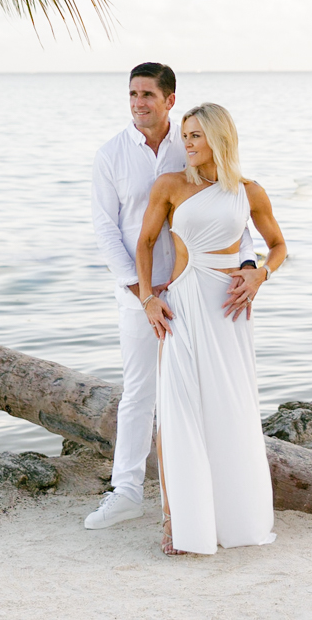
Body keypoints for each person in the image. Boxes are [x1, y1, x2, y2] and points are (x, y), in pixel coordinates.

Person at [83, 64, 257, 530]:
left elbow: (231, 211)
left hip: (199, 291)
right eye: (132, 94)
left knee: (204, 391)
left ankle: (208, 493)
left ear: (169, 99)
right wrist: (142, 293)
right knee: (139, 391)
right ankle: (127, 492)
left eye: (147, 95)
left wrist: (248, 265)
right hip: (140, 295)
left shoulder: (195, 142)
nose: (138, 102)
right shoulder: (111, 155)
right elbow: (106, 229)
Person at [137, 102, 286, 555]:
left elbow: (277, 246)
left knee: (229, 409)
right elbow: (145, 244)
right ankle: (176, 523)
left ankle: (231, 518)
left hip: (230, 310)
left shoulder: (249, 191)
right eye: (185, 135)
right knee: (178, 412)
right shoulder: (170, 186)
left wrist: (260, 273)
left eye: (197, 135)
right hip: (182, 305)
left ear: (220, 138)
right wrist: (148, 298)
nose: (188, 143)